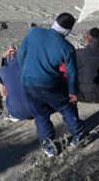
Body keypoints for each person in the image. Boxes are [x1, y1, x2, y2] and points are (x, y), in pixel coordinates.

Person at [17, 13, 87, 156]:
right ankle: (79, 134)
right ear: (68, 30)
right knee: (66, 106)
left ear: (55, 22)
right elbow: (72, 73)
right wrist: (73, 92)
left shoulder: (34, 32)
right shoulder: (67, 48)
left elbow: (20, 54)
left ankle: (48, 145)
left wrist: (27, 72)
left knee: (40, 113)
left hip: (28, 83)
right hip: (49, 84)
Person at [0, 47, 32, 122]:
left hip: (16, 113)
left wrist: (4, 58)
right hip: (37, 109)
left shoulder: (3, 71)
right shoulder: (28, 66)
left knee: (4, 84)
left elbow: (3, 68)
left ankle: (12, 111)